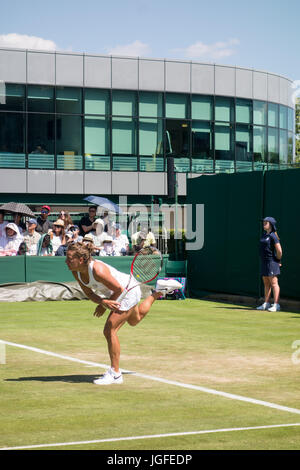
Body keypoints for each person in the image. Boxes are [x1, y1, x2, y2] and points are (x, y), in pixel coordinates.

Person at [65, 242, 182, 385]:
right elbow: (89, 293)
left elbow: (119, 290)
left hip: (127, 290)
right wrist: (102, 302)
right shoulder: (76, 271)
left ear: (81, 260)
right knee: (135, 319)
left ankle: (115, 373)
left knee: (110, 330)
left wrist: (105, 303)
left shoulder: (98, 270)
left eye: (70, 258)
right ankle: (159, 291)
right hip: (121, 290)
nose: (66, 261)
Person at [257, 217, 282, 312]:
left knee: (274, 283)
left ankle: (276, 305)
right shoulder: (264, 235)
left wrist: (277, 260)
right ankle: (266, 303)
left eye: (266, 222)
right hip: (264, 262)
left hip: (272, 262)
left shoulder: (273, 236)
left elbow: (279, 250)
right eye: (263, 222)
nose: (264, 224)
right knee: (266, 283)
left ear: (270, 224)